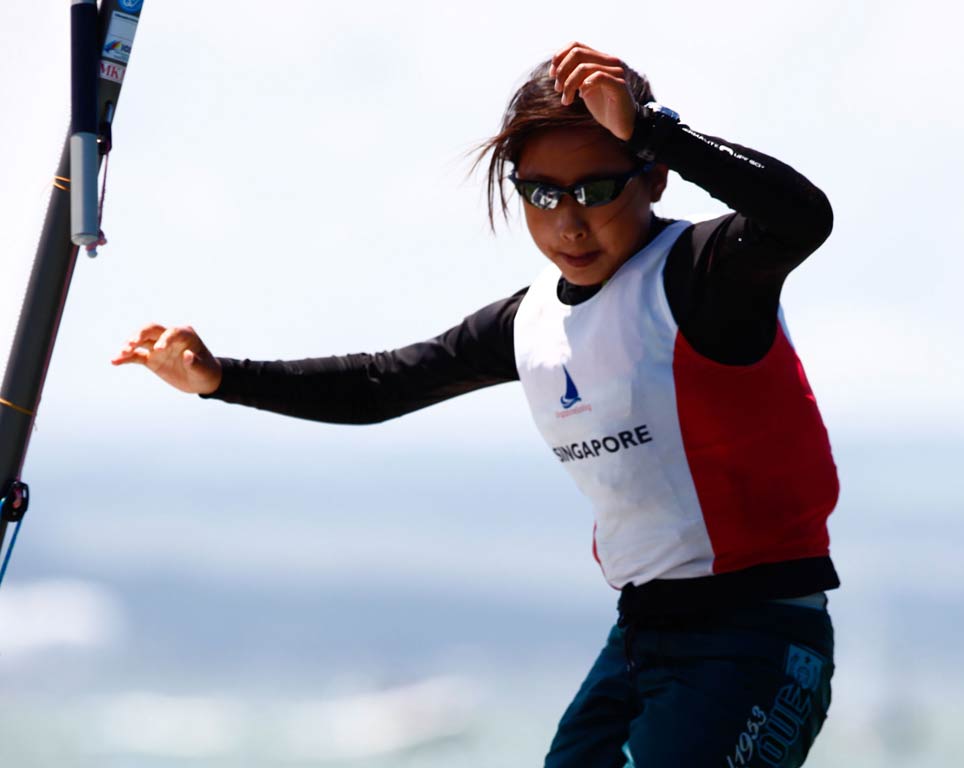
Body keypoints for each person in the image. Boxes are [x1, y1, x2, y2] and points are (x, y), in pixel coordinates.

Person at [113, 42, 839, 768]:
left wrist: (654, 127)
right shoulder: (530, 325)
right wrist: (220, 378)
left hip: (758, 637)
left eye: (595, 191)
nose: (569, 223)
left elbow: (802, 218)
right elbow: (382, 383)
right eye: (543, 195)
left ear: (652, 178)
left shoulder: (706, 277)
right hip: (641, 637)